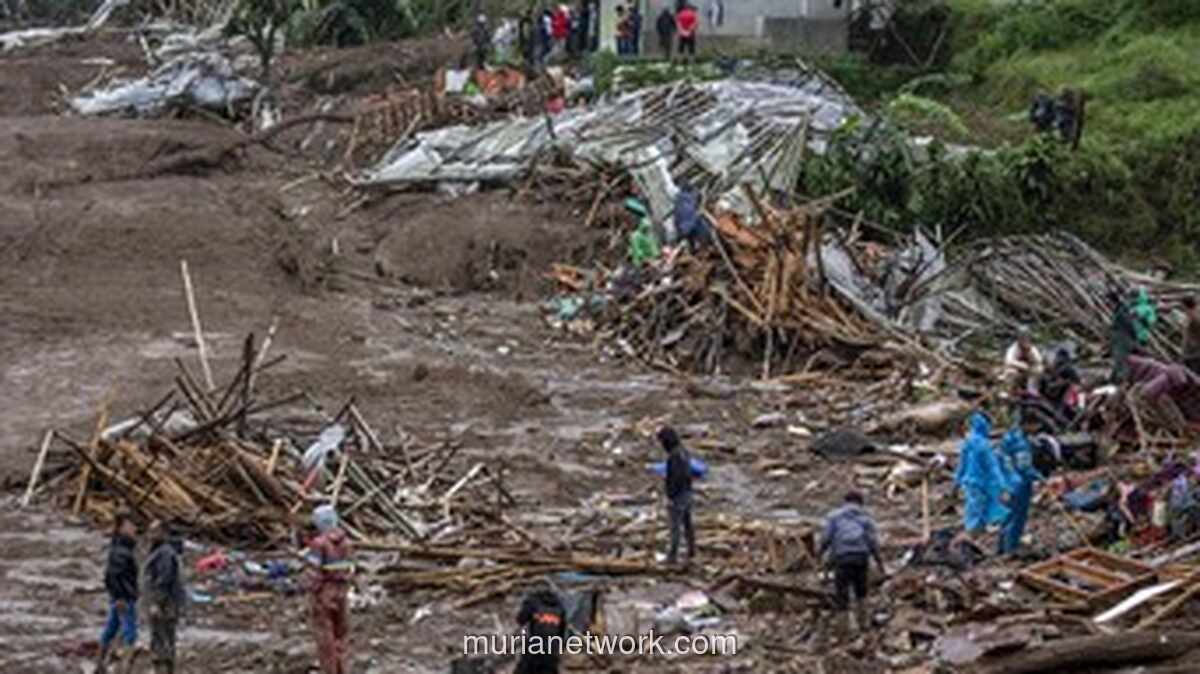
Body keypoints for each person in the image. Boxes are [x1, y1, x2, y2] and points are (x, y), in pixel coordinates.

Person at [819, 492, 885, 637]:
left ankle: (844, 629)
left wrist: (820, 554)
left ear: (845, 501)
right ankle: (864, 625)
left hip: (842, 559)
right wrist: (880, 564)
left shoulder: (834, 517)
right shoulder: (865, 518)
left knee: (842, 593)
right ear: (860, 503)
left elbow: (826, 539)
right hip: (861, 558)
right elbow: (873, 543)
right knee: (861, 591)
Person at [306, 504, 353, 674]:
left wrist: (312, 592)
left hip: (325, 593)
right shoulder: (346, 542)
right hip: (342, 592)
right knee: (341, 634)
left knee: (325, 637)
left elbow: (314, 573)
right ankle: (343, 669)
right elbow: (349, 568)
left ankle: (329, 670)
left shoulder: (319, 544)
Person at [953, 412, 1010, 546]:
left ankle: (974, 530)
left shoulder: (967, 443)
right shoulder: (984, 445)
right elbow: (993, 467)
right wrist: (1003, 486)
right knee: (984, 505)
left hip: (969, 482)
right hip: (983, 482)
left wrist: (956, 481)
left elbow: (962, 464)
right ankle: (974, 533)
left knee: (973, 507)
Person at [97, 513, 139, 674]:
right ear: (121, 528)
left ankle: (100, 665)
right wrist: (121, 596)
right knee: (130, 634)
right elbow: (113, 576)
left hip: (120, 596)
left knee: (111, 629)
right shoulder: (121, 551)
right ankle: (124, 669)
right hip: (125, 597)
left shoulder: (120, 547)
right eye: (130, 525)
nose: (134, 528)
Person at [143, 521, 186, 674]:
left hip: (165, 606)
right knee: (166, 640)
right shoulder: (160, 551)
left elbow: (163, 580)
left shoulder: (165, 554)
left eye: (154, 532)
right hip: (166, 605)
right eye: (150, 531)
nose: (150, 535)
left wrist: (156, 602)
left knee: (161, 641)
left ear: (163, 533)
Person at [997, 418, 1044, 556]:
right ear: (1027, 424)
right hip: (1019, 484)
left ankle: (1002, 546)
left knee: (1007, 515)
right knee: (1018, 517)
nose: (1036, 428)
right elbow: (1024, 468)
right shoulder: (1021, 444)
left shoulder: (1009, 436)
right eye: (1035, 424)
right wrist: (1040, 477)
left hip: (1006, 482)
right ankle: (1011, 548)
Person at [659, 426, 695, 565]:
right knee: (687, 524)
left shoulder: (674, 456)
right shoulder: (683, 452)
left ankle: (672, 556)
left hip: (678, 495)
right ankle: (691, 550)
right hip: (687, 492)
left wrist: (671, 496)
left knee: (675, 527)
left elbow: (675, 478)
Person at [515, 586, 567, 674]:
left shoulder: (532, 602)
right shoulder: (560, 606)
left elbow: (520, 619)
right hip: (552, 649)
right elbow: (562, 632)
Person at [1002, 326, 1044, 396]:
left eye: (1026, 337)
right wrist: (1021, 365)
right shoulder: (1013, 348)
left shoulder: (1031, 348)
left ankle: (1031, 389)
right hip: (1016, 370)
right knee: (1011, 372)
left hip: (1028, 371)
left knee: (1039, 369)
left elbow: (1039, 360)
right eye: (1022, 337)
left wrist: (1032, 362)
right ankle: (1007, 391)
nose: (1024, 339)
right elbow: (1008, 361)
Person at [1181, 296, 1200, 374]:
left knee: (1194, 376)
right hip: (1190, 353)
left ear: (1185, 306)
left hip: (1195, 354)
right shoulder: (1190, 317)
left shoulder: (1196, 318)